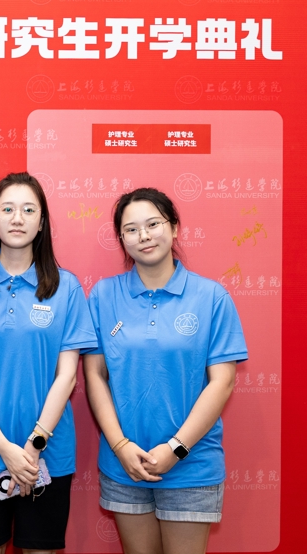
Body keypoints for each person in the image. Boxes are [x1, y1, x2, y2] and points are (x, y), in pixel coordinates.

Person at [83, 187, 247, 554]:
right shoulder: (103, 296)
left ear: (174, 228)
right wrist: (121, 446)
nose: (143, 236)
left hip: (192, 464)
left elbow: (222, 382)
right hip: (124, 463)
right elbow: (94, 375)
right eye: (131, 229)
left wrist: (176, 448)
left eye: (153, 224)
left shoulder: (211, 297)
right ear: (121, 239)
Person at [0, 172, 98, 554]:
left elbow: (67, 377)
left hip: (48, 455)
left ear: (42, 222)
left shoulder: (66, 288)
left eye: (29, 210)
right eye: (8, 209)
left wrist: (33, 446)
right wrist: (4, 448)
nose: (17, 218)